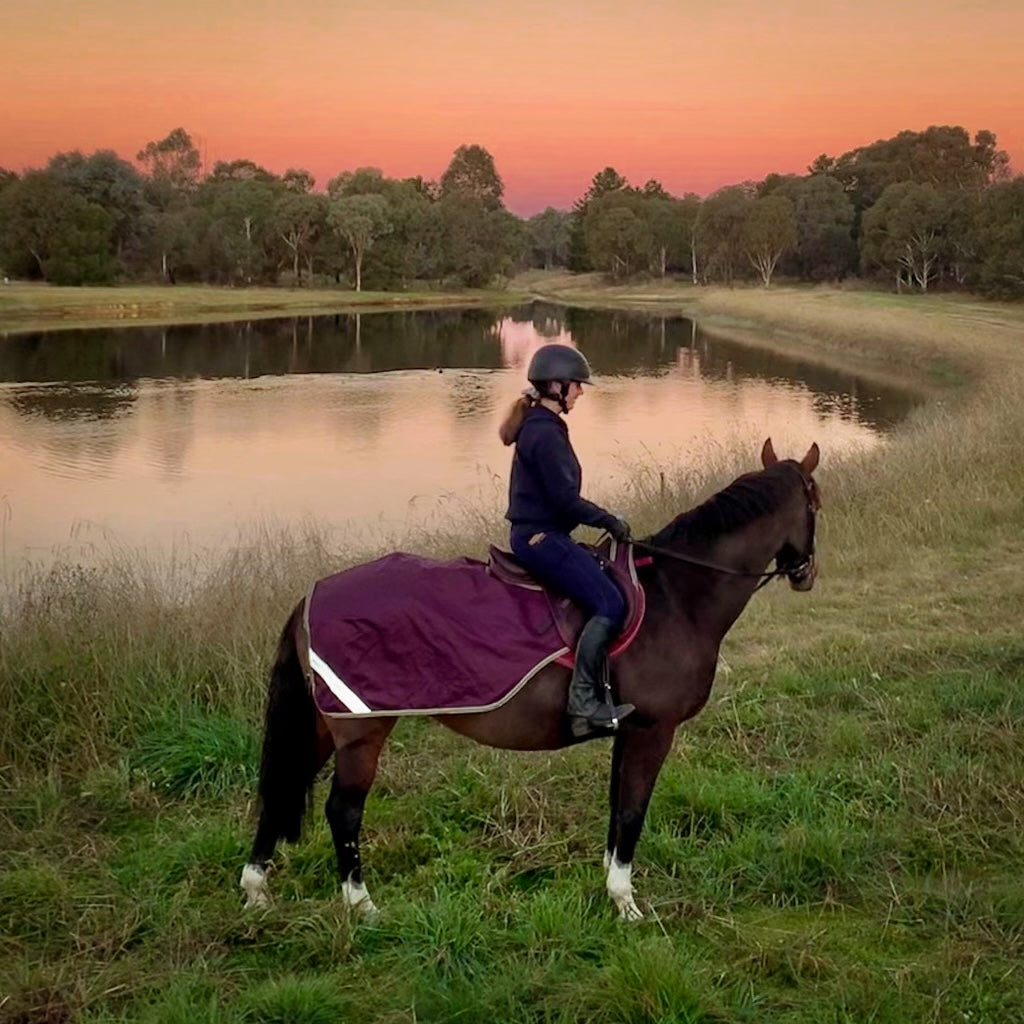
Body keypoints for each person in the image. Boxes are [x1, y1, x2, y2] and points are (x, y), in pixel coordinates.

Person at [499, 343, 635, 737]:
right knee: (610, 601)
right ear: (557, 386)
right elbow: (565, 500)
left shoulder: (541, 425)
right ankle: (582, 705)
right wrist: (609, 521)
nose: (581, 392)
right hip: (542, 538)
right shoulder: (544, 433)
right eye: (577, 385)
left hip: (541, 533)